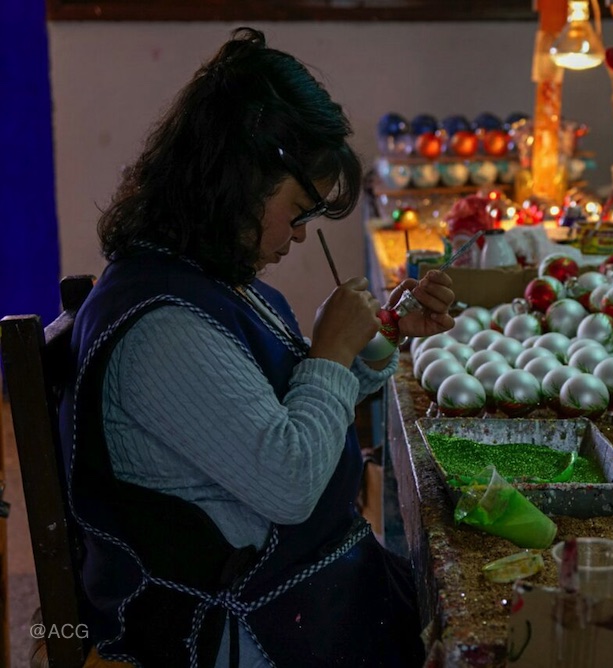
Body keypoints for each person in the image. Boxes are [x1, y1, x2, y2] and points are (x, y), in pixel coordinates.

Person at [60, 27, 454, 667]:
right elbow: (291, 481)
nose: (298, 236)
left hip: (306, 587)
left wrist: (379, 336)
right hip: (235, 624)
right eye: (298, 210)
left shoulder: (207, 279)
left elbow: (289, 407)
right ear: (242, 178)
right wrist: (329, 352)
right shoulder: (162, 330)